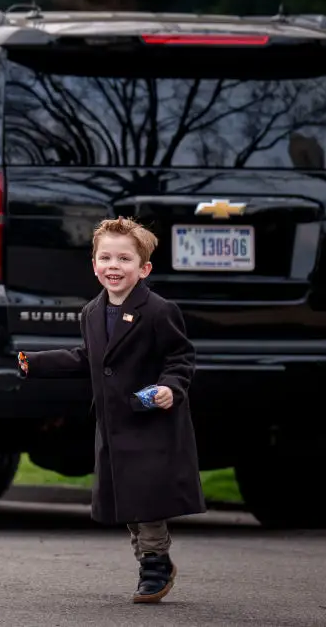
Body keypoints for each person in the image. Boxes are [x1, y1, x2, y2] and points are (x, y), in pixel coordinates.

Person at [17, 217, 204, 604]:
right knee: (128, 501)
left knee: (147, 496)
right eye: (106, 258)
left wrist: (172, 386)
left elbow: (180, 355)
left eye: (124, 259)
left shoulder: (158, 310)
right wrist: (36, 362)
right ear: (94, 264)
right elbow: (87, 357)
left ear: (144, 268)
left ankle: (154, 564)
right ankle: (150, 558)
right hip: (114, 423)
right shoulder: (91, 312)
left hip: (150, 420)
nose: (114, 266)